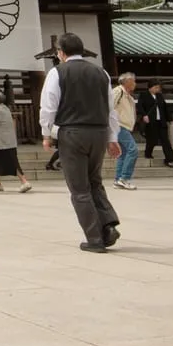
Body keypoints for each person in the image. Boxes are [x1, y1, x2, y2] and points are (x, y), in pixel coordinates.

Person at [39, 32, 122, 253]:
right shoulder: (101, 73)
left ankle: (94, 238)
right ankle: (108, 224)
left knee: (79, 188)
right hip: (99, 132)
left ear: (61, 53)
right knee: (95, 181)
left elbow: (48, 106)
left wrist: (46, 134)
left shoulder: (57, 73)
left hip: (72, 132)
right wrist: (113, 138)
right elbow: (110, 108)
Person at [0, 91, 32, 193]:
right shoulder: (6, 108)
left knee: (4, 161)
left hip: (0, 141)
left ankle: (24, 181)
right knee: (8, 161)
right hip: (9, 140)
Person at [111, 73, 140, 190]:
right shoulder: (118, 91)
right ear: (126, 82)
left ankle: (118, 179)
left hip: (124, 126)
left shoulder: (128, 95)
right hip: (119, 125)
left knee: (122, 154)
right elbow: (109, 107)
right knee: (133, 150)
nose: (135, 84)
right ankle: (124, 178)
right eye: (133, 81)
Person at [137, 81, 173, 168]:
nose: (157, 89)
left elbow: (165, 108)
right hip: (151, 121)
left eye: (158, 87)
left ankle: (170, 159)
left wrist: (170, 119)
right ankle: (148, 153)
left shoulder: (159, 96)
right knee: (152, 139)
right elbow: (140, 106)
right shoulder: (144, 95)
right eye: (155, 87)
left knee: (165, 141)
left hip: (161, 121)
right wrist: (144, 115)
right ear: (150, 87)